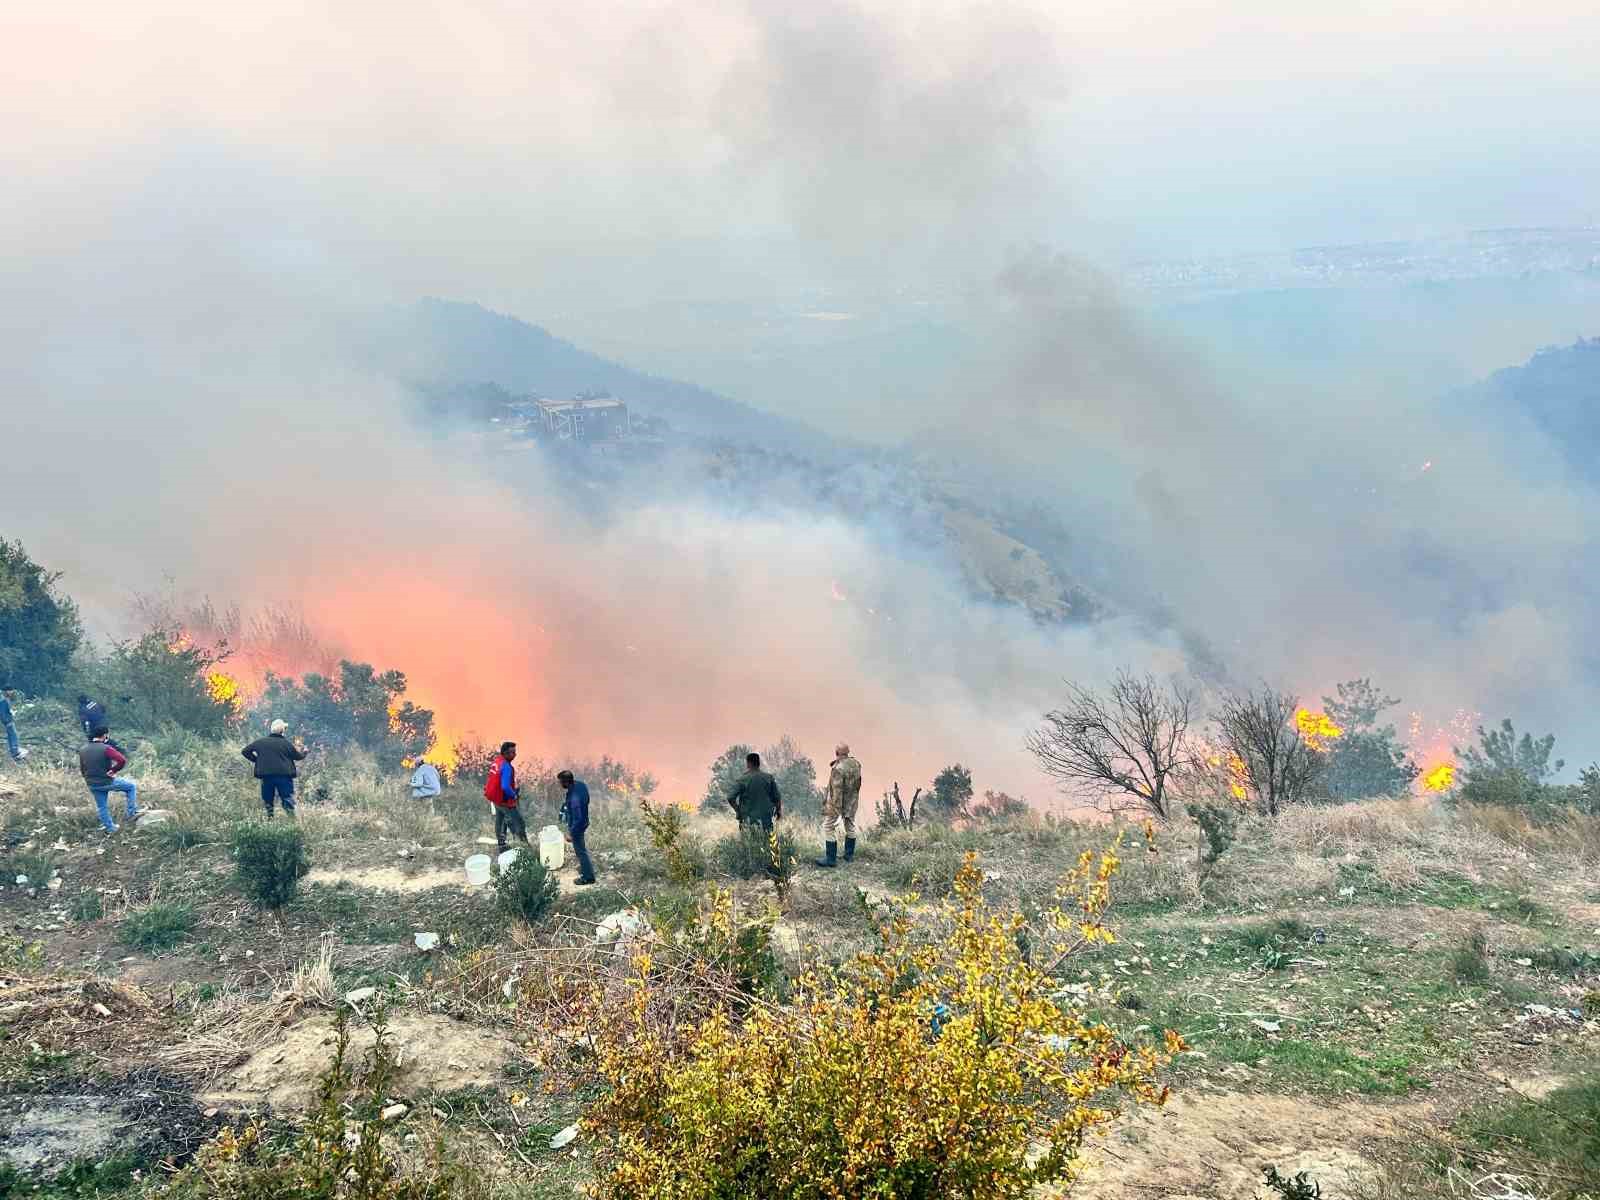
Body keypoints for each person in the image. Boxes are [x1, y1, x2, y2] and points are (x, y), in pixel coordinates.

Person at [241, 719, 307, 818]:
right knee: (287, 799)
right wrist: (305, 752)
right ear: (282, 731)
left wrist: (257, 760)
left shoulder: (261, 742)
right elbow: (298, 757)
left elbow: (245, 751)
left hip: (267, 777)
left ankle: (270, 819)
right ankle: (292, 821)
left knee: (268, 800)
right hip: (284, 777)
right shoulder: (286, 744)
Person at [80, 725, 140, 833]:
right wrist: (113, 770)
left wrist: (89, 779)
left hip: (92, 784)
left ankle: (111, 828)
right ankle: (132, 813)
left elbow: (83, 769)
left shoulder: (83, 749)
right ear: (105, 735)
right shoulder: (106, 748)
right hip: (106, 781)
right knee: (131, 787)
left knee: (102, 807)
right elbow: (122, 760)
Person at [816, 742, 863, 868]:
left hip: (839, 803)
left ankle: (830, 859)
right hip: (852, 801)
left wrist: (833, 809)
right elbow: (858, 784)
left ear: (837, 753)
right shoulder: (856, 764)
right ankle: (849, 855)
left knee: (827, 826)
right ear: (848, 753)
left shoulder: (838, 769)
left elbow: (836, 792)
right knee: (850, 825)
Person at [484, 741, 529, 854]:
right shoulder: (507, 766)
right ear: (505, 753)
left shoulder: (497, 761)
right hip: (504, 801)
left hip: (495, 799)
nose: (515, 755)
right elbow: (505, 786)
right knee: (518, 823)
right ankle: (524, 847)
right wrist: (514, 795)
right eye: (512, 752)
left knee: (500, 821)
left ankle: (502, 846)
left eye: (515, 752)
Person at [725, 751, 782, 835]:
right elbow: (777, 798)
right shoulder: (769, 778)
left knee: (748, 845)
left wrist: (738, 811)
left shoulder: (743, 779)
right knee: (766, 844)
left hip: (747, 821)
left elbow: (730, 797)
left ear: (748, 764)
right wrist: (778, 811)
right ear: (758, 763)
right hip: (766, 821)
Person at [557, 769, 596, 886]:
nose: (560, 784)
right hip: (584, 820)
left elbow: (578, 819)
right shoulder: (580, 785)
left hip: (578, 825)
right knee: (581, 849)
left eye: (560, 782)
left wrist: (571, 833)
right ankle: (585, 868)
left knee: (580, 851)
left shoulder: (574, 799)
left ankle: (588, 877)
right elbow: (587, 799)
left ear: (566, 782)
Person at [1, 690, 26, 762]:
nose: (11, 693)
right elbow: (2, 714)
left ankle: (14, 750)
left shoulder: (6, 701)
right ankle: (15, 752)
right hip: (8, 722)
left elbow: (7, 712)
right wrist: (7, 721)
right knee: (13, 736)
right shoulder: (3, 701)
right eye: (10, 691)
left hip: (9, 721)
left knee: (12, 735)